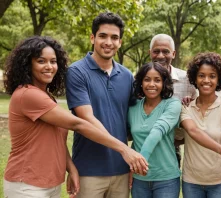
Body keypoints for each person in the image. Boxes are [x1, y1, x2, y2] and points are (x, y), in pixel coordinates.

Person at [2, 36, 147, 198]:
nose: (49, 67)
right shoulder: (27, 94)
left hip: (50, 183)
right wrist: (124, 149)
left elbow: (56, 141)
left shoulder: (47, 97)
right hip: (26, 184)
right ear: (27, 64)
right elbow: (78, 124)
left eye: (53, 61)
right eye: (41, 61)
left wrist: (71, 169)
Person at [65, 12, 148, 198]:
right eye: (103, 36)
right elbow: (86, 117)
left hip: (121, 169)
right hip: (88, 169)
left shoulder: (127, 76)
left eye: (114, 37)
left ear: (120, 42)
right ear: (92, 38)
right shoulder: (77, 72)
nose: (108, 42)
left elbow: (134, 119)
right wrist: (125, 150)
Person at [180, 52, 221, 198]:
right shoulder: (186, 107)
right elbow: (193, 131)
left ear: (219, 79)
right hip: (192, 182)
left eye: (212, 76)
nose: (206, 80)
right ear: (194, 78)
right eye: (201, 75)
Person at [128, 62, 181, 198]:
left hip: (166, 179)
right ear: (140, 82)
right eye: (147, 79)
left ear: (164, 83)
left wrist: (141, 161)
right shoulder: (133, 108)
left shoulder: (172, 104)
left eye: (157, 80)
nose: (152, 84)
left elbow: (158, 130)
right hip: (139, 180)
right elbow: (135, 140)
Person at [149, 34, 197, 167]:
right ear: (150, 53)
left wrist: (191, 103)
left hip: (173, 145)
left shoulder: (187, 80)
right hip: (144, 142)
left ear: (173, 54)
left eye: (165, 51)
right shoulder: (140, 80)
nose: (160, 56)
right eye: (156, 51)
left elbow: (199, 109)